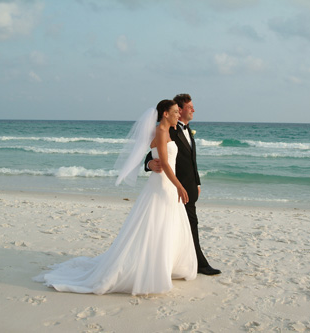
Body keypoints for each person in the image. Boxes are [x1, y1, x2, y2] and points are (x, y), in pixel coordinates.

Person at [33, 100, 197, 295]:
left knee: (166, 226)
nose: (178, 115)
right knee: (155, 226)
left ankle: (164, 266)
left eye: (180, 112)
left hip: (166, 186)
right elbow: (165, 164)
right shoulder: (160, 132)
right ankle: (151, 269)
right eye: (175, 112)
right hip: (163, 185)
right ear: (165, 114)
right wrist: (176, 183)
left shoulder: (165, 131)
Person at [145, 94, 221, 276]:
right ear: (179, 110)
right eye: (189, 107)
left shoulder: (188, 130)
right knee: (188, 225)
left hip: (189, 187)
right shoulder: (168, 129)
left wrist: (198, 183)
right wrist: (149, 164)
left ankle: (183, 263)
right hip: (174, 187)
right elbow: (153, 151)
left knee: (182, 226)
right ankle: (200, 264)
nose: (193, 110)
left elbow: (192, 161)